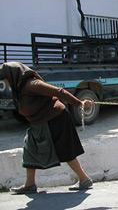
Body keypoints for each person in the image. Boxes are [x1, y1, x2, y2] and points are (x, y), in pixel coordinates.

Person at [0, 61, 93, 194]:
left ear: (13, 76)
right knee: (29, 149)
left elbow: (58, 91)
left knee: (65, 150)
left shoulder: (32, 84)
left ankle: (84, 179)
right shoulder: (19, 89)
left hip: (56, 119)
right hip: (38, 123)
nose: (5, 82)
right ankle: (30, 184)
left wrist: (78, 104)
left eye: (5, 79)